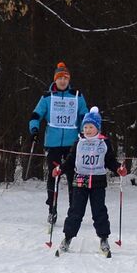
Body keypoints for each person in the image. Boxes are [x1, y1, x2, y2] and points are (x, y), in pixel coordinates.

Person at [53, 108, 126, 256]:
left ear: (97, 128)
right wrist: (60, 169)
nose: (87, 130)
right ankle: (67, 238)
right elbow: (70, 161)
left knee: (99, 212)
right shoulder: (79, 142)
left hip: (98, 182)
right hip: (80, 181)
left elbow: (110, 161)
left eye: (91, 127)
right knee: (75, 211)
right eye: (85, 127)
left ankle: (104, 239)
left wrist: (118, 169)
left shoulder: (104, 142)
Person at [28, 62, 88, 224]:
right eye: (60, 78)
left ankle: (73, 209)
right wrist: (34, 130)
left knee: (72, 176)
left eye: (65, 78)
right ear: (55, 80)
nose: (62, 81)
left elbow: (84, 116)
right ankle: (52, 209)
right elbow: (36, 115)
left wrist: (85, 132)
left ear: (69, 80)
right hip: (53, 143)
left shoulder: (77, 96)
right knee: (54, 175)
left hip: (72, 144)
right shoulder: (47, 97)